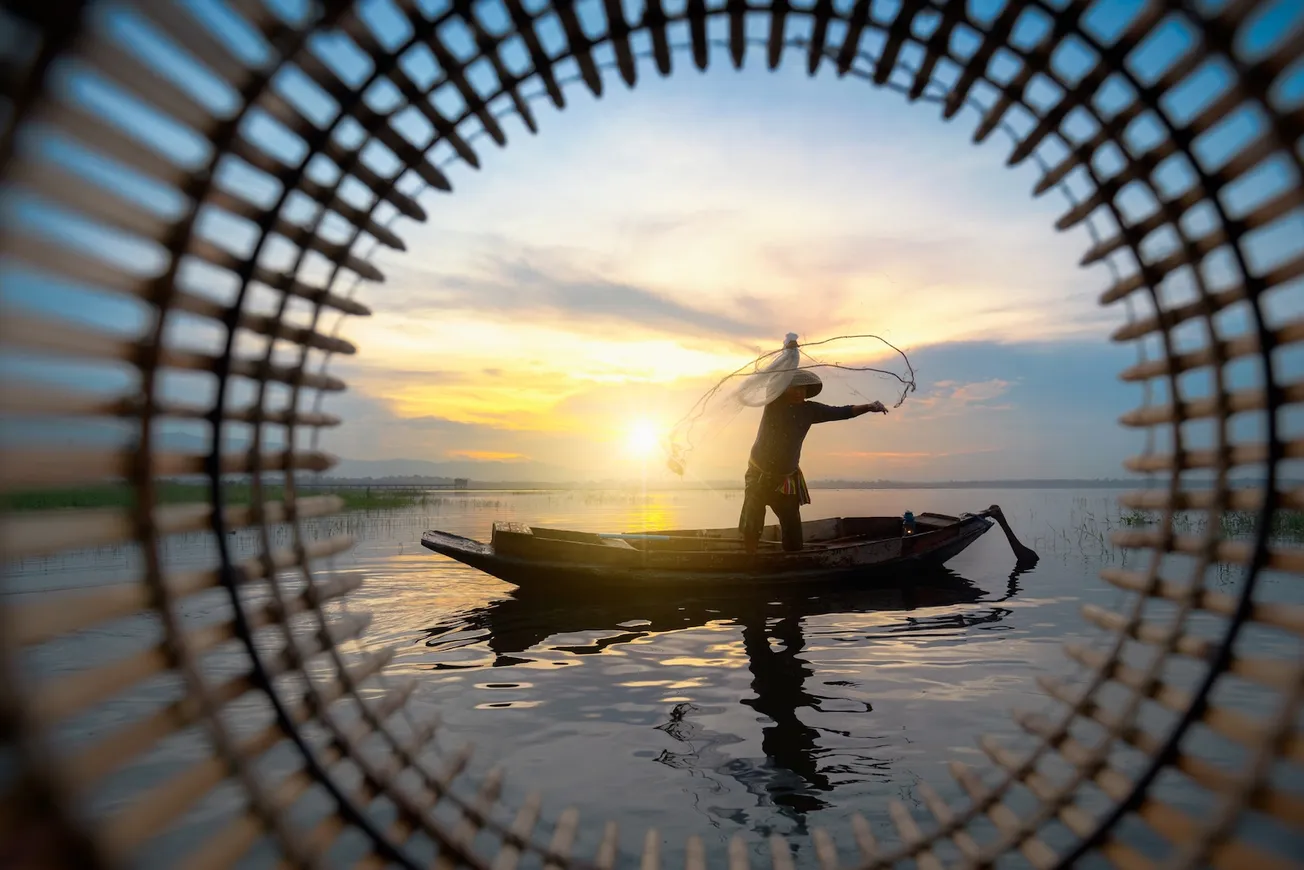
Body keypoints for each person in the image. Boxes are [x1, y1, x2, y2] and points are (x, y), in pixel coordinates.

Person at [738, 368, 886, 554]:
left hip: (785, 478)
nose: (800, 392)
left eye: (803, 389)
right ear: (784, 389)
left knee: (792, 525)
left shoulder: (810, 410)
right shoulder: (774, 404)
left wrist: (869, 407)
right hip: (758, 474)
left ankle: (793, 559)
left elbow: (841, 412)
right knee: (752, 521)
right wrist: (791, 349)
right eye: (795, 388)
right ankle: (749, 557)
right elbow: (774, 383)